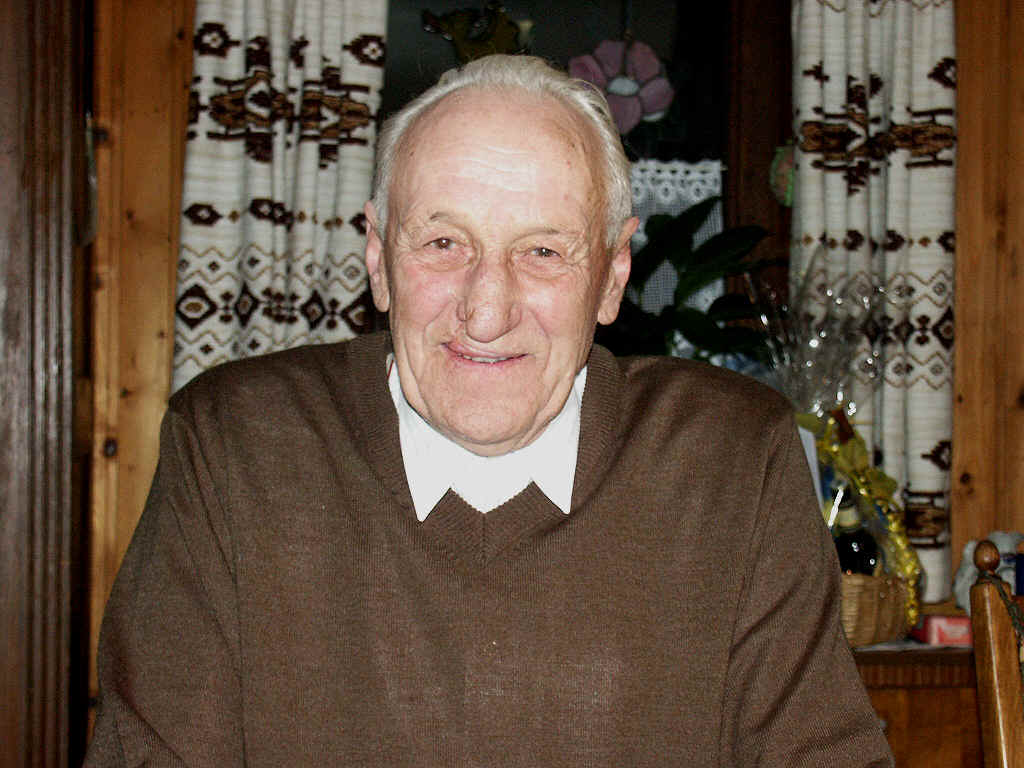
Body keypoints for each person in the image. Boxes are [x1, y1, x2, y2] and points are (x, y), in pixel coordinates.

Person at [85, 55, 893, 767]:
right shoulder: (236, 448)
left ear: (612, 276)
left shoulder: (730, 462)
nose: (486, 311)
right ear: (378, 258)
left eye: (542, 251)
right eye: (444, 243)